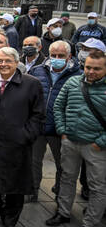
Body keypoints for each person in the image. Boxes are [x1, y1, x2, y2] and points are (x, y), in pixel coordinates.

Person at [0, 47, 45, 227]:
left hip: (17, 143)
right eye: (0, 61)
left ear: (16, 62)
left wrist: (27, 134)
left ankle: (11, 216)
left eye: (8, 61)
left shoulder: (31, 84)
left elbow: (38, 114)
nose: (3, 64)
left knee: (15, 182)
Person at [46, 50, 106, 227]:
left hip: (96, 146)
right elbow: (58, 107)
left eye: (97, 68)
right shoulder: (73, 82)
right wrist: (62, 130)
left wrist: (100, 142)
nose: (91, 72)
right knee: (67, 178)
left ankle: (91, 221)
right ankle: (63, 212)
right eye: (88, 67)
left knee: (97, 186)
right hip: (70, 141)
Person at [27, 40, 81, 203]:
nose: (56, 58)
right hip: (38, 126)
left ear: (69, 56)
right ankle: (32, 190)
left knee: (63, 165)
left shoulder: (78, 76)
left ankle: (60, 193)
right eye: (53, 55)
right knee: (34, 161)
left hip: (60, 129)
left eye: (61, 56)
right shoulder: (37, 71)